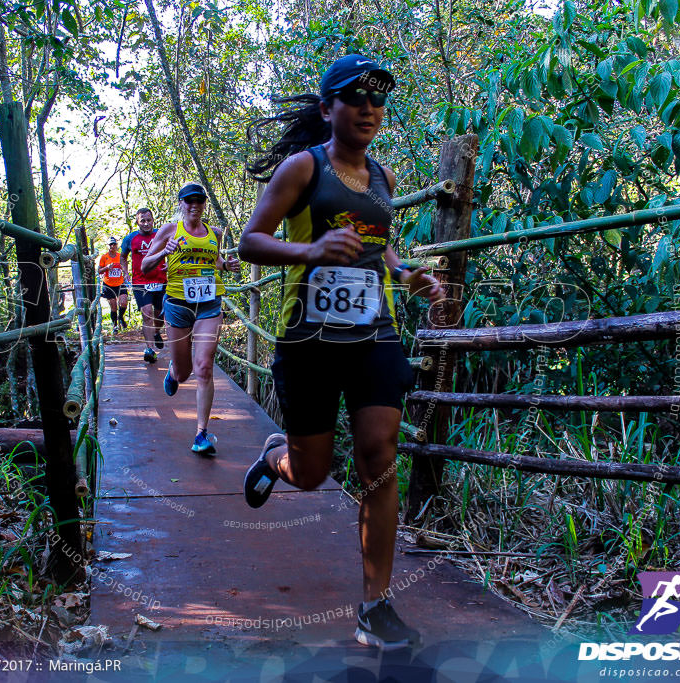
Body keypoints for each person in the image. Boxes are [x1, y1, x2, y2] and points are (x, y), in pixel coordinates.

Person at [237, 54, 445, 651]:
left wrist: (410, 276)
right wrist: (310, 251)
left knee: (380, 456)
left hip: (373, 336)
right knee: (312, 474)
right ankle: (277, 457)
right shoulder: (302, 169)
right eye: (356, 100)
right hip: (309, 340)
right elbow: (253, 241)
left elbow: (381, 252)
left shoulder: (383, 178)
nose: (369, 111)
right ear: (328, 109)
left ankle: (375, 607)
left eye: (378, 102)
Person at [141, 183, 240, 455]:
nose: (194, 205)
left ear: (205, 203)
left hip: (209, 304)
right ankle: (175, 370)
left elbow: (215, 260)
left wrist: (226, 266)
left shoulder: (214, 233)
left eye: (199, 200)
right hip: (178, 304)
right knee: (185, 373)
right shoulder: (169, 230)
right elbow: (145, 266)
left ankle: (201, 434)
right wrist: (164, 252)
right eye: (189, 201)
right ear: (181, 203)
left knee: (205, 366)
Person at [121, 208, 167, 363]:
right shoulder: (130, 239)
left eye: (149, 220)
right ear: (137, 222)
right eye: (143, 221)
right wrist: (125, 272)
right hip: (141, 282)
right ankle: (149, 349)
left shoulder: (161, 234)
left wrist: (171, 265)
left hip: (161, 280)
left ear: (153, 220)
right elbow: (123, 257)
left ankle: (156, 332)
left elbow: (173, 250)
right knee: (147, 313)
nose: (146, 224)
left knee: (160, 313)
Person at [98, 236, 128, 332]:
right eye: (111, 244)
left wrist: (125, 272)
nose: (112, 246)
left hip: (120, 283)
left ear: (116, 245)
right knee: (113, 306)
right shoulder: (104, 257)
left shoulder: (120, 256)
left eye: (114, 244)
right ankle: (115, 326)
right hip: (108, 284)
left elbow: (125, 267)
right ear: (108, 246)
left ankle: (121, 317)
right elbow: (99, 271)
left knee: (123, 303)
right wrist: (107, 268)